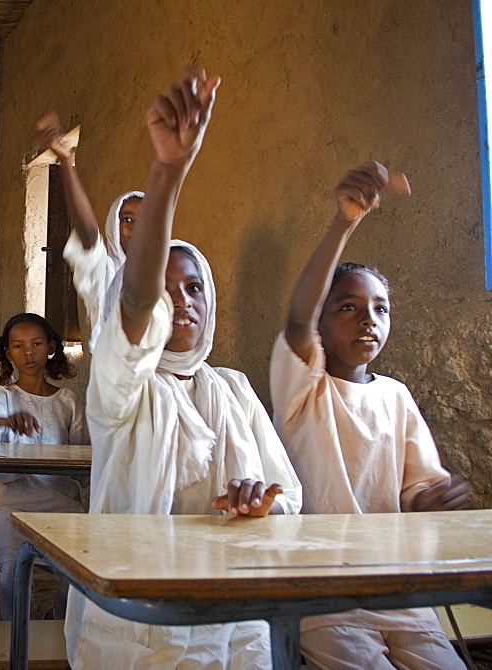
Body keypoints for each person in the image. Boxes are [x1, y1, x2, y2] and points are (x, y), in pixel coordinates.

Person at [64, 68, 298, 669]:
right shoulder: (123, 388)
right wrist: (168, 172)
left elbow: (289, 495)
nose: (183, 301)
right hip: (139, 620)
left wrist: (259, 502)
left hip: (233, 609)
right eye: (169, 290)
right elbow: (136, 305)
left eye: (195, 287)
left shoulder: (234, 391)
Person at [270, 161, 469, 670]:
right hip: (321, 591)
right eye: (348, 308)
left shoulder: (396, 397)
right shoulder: (303, 389)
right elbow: (297, 316)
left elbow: (417, 491)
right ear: (320, 319)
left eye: (380, 309)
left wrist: (435, 500)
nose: (368, 321)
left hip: (397, 587)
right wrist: (344, 222)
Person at [0, 313, 86, 620]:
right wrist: (7, 420)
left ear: (51, 348)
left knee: (77, 581)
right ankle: (15, 643)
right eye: (18, 346)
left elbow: (83, 455)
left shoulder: (68, 401)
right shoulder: (3, 396)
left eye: (36, 343)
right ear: (7, 353)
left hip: (62, 505)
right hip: (13, 506)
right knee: (12, 580)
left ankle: (59, 628)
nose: (28, 352)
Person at [36, 112, 143, 353]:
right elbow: (88, 233)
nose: (137, 227)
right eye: (127, 219)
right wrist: (66, 161)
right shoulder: (106, 271)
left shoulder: (171, 270)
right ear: (114, 228)